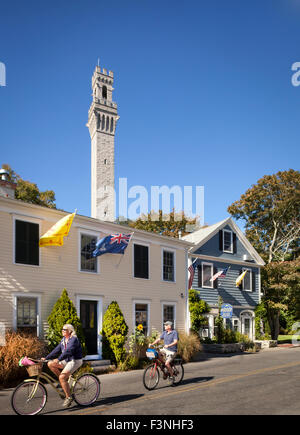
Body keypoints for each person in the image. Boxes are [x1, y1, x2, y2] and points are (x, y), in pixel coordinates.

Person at [42, 324, 83, 408]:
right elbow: (56, 350)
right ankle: (63, 382)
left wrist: (59, 359)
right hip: (67, 360)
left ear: (70, 331)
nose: (62, 331)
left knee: (62, 377)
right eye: (62, 329)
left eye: (64, 329)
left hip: (75, 360)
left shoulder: (73, 339)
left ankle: (68, 397)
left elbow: (68, 351)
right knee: (50, 364)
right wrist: (46, 358)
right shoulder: (64, 339)